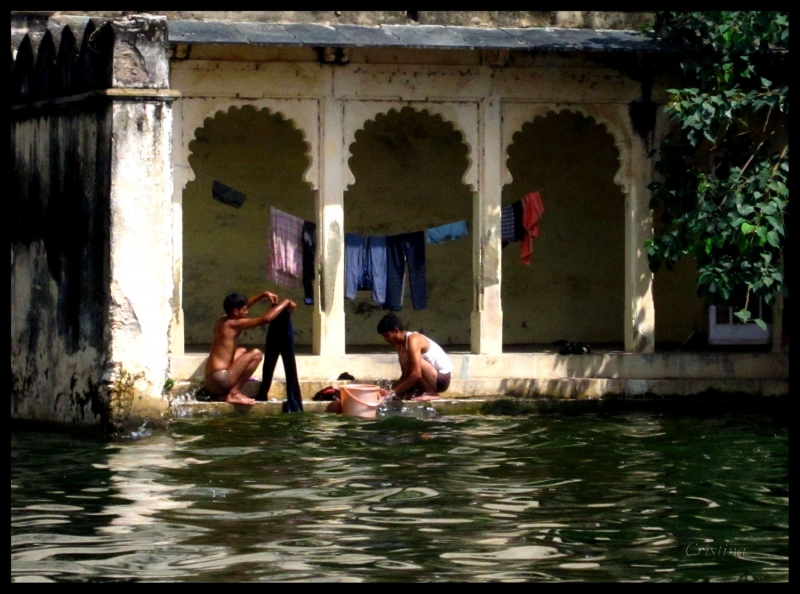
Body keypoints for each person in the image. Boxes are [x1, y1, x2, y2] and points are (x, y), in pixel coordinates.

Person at [204, 290, 296, 405]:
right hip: (220, 380)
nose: (247, 311)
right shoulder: (235, 324)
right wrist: (285, 303)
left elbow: (245, 305)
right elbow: (265, 319)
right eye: (244, 310)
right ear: (236, 311)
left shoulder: (223, 320)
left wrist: (263, 295)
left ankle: (228, 393)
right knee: (256, 354)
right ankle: (234, 393)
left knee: (242, 350)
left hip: (209, 381)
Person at [377, 313, 453, 401]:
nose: (385, 340)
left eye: (387, 336)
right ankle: (419, 391)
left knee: (412, 360)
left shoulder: (413, 339)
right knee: (407, 362)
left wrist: (394, 392)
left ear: (396, 331)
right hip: (428, 379)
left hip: (441, 380)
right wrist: (390, 391)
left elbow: (416, 374)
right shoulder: (399, 345)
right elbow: (405, 374)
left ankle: (432, 393)